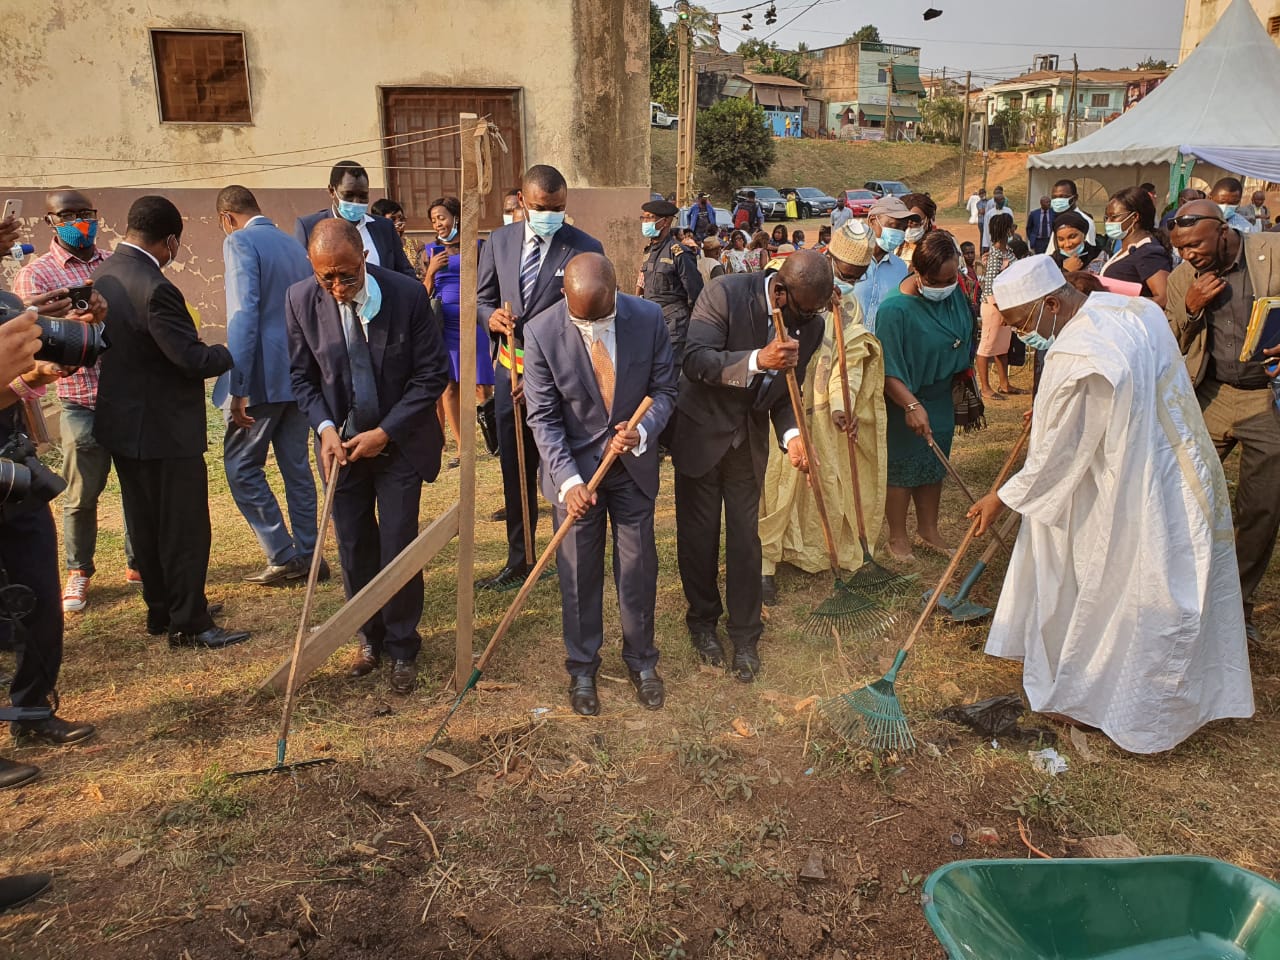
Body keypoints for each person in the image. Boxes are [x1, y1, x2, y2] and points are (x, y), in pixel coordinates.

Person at [973, 255, 1253, 753]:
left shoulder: (1077, 355)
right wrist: (1051, 411)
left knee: (1124, 587)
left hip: (1133, 482)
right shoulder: (1133, 310)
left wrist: (1002, 497)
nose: (1021, 338)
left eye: (1020, 324)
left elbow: (1061, 454)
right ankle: (1169, 698)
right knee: (1169, 581)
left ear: (1052, 304)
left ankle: (1124, 706)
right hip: (1183, 465)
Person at [286, 219, 450, 693]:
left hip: (398, 444)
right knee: (355, 543)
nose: (337, 287)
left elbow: (431, 374)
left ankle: (402, 645)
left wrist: (386, 431)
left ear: (364, 258)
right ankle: (368, 636)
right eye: (326, 278)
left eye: (347, 275)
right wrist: (323, 430)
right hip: (341, 449)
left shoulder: (406, 297)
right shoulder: (300, 300)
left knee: (398, 545)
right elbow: (302, 379)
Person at [522, 253, 678, 716]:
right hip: (574, 475)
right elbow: (543, 417)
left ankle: (642, 660)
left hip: (631, 468)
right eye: (581, 318)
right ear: (565, 296)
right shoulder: (541, 331)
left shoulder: (648, 319)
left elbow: (666, 390)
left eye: (601, 316)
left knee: (637, 569)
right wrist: (568, 481)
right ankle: (583, 667)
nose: (592, 326)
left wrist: (643, 431)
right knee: (577, 574)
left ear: (616, 291)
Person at [93, 196, 247, 649]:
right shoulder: (156, 287)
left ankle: (163, 610)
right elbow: (189, 358)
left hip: (123, 424)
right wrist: (226, 351)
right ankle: (191, 623)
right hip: (163, 428)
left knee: (145, 523)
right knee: (183, 528)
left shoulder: (105, 274)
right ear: (171, 241)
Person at [672, 251, 830, 682]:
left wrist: (793, 436)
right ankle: (702, 623)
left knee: (746, 540)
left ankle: (745, 634)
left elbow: (785, 394)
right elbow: (696, 360)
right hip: (701, 433)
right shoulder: (723, 294)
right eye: (802, 310)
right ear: (779, 292)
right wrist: (759, 359)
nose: (807, 320)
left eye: (813, 313)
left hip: (747, 442)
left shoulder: (811, 325)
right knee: (699, 538)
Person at [476, 165, 604, 590]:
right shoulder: (499, 241)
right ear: (524, 203)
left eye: (559, 209)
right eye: (541, 208)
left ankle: (564, 552)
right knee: (515, 465)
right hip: (509, 372)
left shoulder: (585, 248)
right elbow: (482, 299)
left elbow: (591, 320)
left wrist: (540, 373)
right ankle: (520, 557)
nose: (550, 215)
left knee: (559, 463)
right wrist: (488, 317)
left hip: (559, 379)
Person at [13, 188, 138, 612]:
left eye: (86, 213)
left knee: (136, 487)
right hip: (78, 398)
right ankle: (79, 571)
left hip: (124, 394)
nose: (80, 221)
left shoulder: (114, 265)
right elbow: (28, 342)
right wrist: (66, 326)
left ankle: (137, 562)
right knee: (81, 493)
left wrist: (105, 312)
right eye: (69, 215)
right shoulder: (35, 276)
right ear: (51, 222)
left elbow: (132, 324)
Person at [1167, 199, 1280, 645]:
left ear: (1222, 229)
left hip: (1264, 399)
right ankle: (1186, 599)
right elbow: (1173, 337)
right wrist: (1191, 308)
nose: (1188, 255)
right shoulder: (1182, 279)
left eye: (1195, 245)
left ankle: (1240, 605)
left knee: (1262, 507)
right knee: (1184, 496)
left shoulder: (1271, 252)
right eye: (1180, 248)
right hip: (1210, 394)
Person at [759, 219, 886, 605]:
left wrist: (838, 405)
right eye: (846, 273)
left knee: (822, 482)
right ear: (830, 259)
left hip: (820, 411)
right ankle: (765, 562)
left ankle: (811, 550)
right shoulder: (783, 284)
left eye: (859, 275)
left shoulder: (848, 304)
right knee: (776, 485)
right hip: (780, 406)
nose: (851, 280)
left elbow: (848, 361)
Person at [0, 284, 98, 783]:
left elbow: (8, 392)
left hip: (15, 476)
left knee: (39, 594)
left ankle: (33, 711)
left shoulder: (4, 304)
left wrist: (33, 375)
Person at [212, 185, 322, 587]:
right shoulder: (296, 246)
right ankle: (310, 554)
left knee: (241, 466)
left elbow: (243, 313)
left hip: (259, 375)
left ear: (227, 218)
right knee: (297, 468)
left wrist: (238, 384)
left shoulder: (239, 242)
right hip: (298, 371)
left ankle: (282, 552)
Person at [877, 231, 975, 560]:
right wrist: (911, 404)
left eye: (953, 276)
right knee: (903, 466)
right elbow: (888, 369)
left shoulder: (954, 292)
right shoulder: (895, 310)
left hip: (941, 393)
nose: (948, 285)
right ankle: (897, 537)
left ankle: (928, 529)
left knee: (935, 461)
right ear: (919, 273)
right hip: (904, 395)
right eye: (939, 280)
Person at [423, 196, 498, 464]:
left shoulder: (478, 246)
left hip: (474, 321)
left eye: (441, 217)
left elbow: (490, 280)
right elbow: (424, 294)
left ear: (455, 217)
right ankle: (461, 447)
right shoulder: (430, 250)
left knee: (482, 386)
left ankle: (493, 439)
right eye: (433, 220)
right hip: (446, 325)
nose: (437, 224)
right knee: (449, 386)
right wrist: (431, 271)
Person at [293, 161, 416, 278]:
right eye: (349, 195)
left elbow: (405, 274)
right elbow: (302, 277)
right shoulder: (309, 227)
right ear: (332, 191)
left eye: (363, 196)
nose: (356, 202)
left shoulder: (384, 228)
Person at [638, 199, 703, 368]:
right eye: (643, 218)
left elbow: (694, 291)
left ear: (665, 221)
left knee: (668, 371)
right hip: (650, 321)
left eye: (650, 218)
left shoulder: (679, 253)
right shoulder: (649, 252)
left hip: (673, 324)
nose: (645, 222)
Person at [1097, 186, 1173, 307]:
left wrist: (1125, 305)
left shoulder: (1148, 252)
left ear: (1134, 217)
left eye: (1114, 217)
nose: (1108, 222)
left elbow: (1164, 298)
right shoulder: (1127, 248)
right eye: (1107, 218)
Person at [853, 196, 911, 335]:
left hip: (881, 352)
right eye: (893, 226)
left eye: (903, 228)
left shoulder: (901, 268)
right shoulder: (847, 263)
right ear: (873, 221)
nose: (899, 233)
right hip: (847, 350)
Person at [977, 212, 1018, 400]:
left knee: (1002, 346)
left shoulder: (1007, 252)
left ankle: (1004, 384)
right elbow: (991, 285)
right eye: (1012, 226)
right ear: (1006, 229)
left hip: (1006, 304)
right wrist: (1002, 310)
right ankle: (985, 387)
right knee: (986, 346)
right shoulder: (994, 255)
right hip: (994, 305)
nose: (1014, 229)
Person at [370, 198, 422, 279]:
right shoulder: (374, 248)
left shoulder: (417, 246)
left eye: (401, 219)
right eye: (392, 219)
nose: (399, 224)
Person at [1048, 179, 1095, 250]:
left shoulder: (1085, 221)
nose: (1057, 200)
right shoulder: (1060, 220)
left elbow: (1088, 252)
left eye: (1062, 197)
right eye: (1054, 197)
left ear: (1075, 198)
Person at [896, 193, 935, 268]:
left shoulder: (939, 247)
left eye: (915, 222)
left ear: (927, 221)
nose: (909, 227)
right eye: (905, 222)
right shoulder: (893, 245)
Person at [981, 188, 1013, 254]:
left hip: (1006, 240)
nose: (1003, 201)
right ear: (995, 201)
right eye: (1001, 200)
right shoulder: (989, 214)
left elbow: (1011, 226)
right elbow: (986, 229)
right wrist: (986, 244)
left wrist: (1011, 238)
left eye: (1003, 199)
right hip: (993, 241)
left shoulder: (1008, 211)